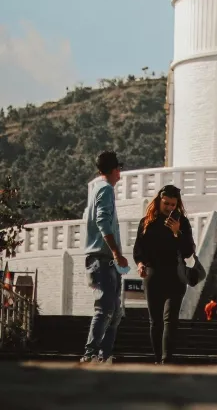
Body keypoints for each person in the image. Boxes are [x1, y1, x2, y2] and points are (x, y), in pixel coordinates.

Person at [133, 184, 195, 364]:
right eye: (166, 203)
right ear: (159, 201)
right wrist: (140, 264)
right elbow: (139, 249)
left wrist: (177, 233)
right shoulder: (147, 222)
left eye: (172, 205)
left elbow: (188, 251)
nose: (169, 208)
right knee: (156, 321)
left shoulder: (182, 222)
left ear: (177, 204)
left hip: (176, 275)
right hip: (153, 275)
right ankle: (157, 359)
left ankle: (167, 359)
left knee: (170, 319)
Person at [80, 150, 127, 364]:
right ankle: (91, 353)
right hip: (102, 258)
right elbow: (103, 222)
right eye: (119, 169)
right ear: (115, 170)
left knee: (114, 310)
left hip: (104, 259)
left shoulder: (98, 189)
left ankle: (104, 355)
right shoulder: (106, 189)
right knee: (106, 307)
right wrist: (116, 252)